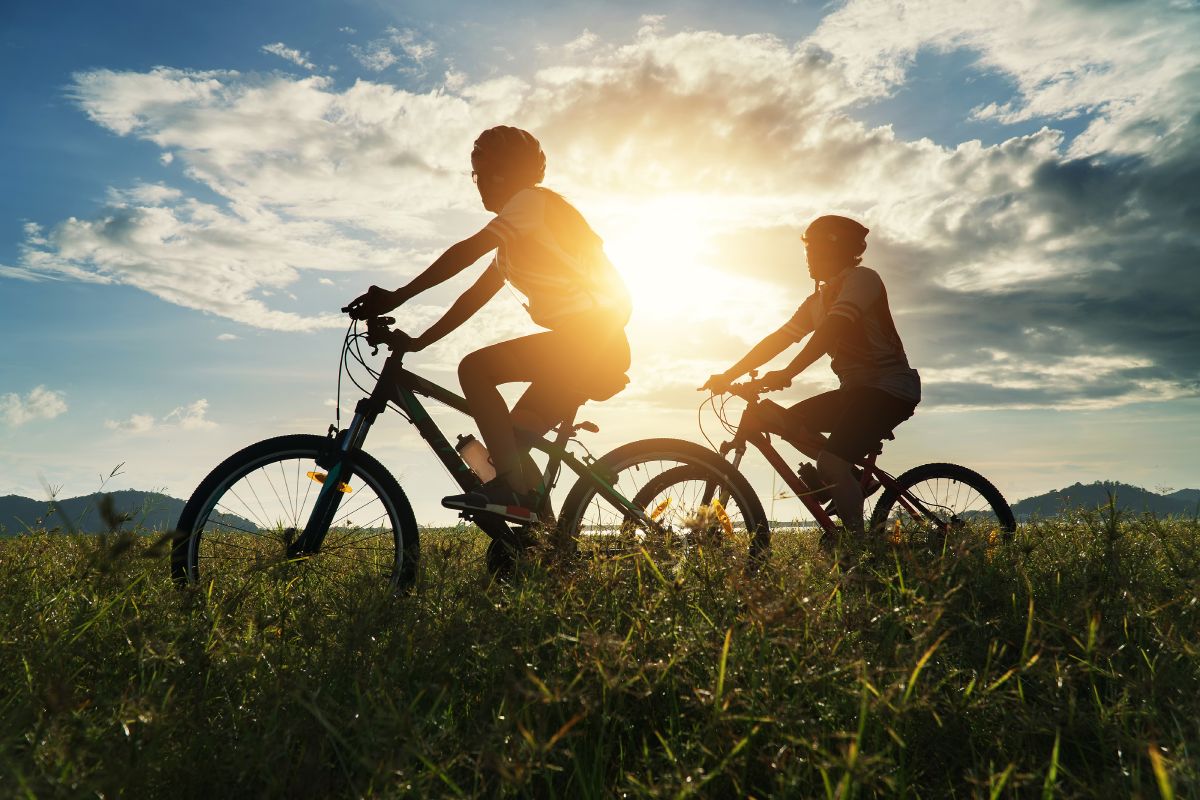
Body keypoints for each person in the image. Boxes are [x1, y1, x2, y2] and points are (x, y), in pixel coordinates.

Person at [345, 126, 632, 525]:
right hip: (583, 347)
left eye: (480, 172)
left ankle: (509, 490)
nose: (477, 183)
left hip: (590, 342)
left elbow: (464, 252)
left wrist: (397, 296)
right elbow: (472, 299)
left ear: (501, 173)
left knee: (475, 369)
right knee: (509, 446)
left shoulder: (531, 203)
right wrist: (418, 342)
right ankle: (544, 542)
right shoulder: (515, 238)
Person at [703, 215, 920, 536]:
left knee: (830, 464)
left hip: (889, 389)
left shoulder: (863, 280)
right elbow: (779, 339)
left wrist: (790, 372)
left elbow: (833, 330)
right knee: (787, 423)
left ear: (837, 251)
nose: (808, 260)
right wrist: (728, 374)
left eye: (814, 252)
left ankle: (857, 549)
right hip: (855, 393)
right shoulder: (816, 301)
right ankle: (852, 480)